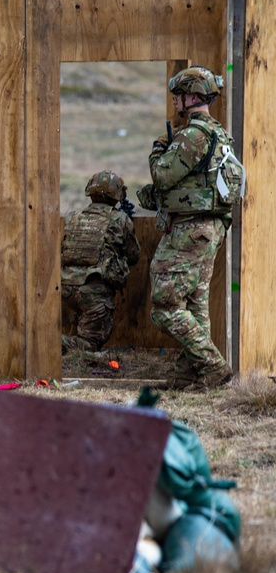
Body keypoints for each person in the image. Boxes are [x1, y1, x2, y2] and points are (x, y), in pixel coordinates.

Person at [138, 65, 237, 390]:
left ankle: (214, 367)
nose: (175, 103)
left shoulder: (193, 135)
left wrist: (157, 150)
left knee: (165, 306)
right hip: (209, 229)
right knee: (194, 304)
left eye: (178, 96)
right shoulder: (221, 134)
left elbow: (164, 176)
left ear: (193, 96)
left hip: (190, 230)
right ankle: (190, 375)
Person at [60, 170, 140, 353]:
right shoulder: (119, 219)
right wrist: (125, 224)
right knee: (90, 344)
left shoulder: (73, 217)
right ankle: (53, 344)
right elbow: (134, 256)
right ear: (118, 196)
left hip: (65, 287)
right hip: (93, 290)